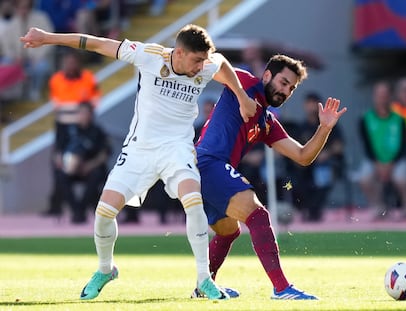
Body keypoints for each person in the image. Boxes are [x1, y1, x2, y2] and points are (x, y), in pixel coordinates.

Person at [20, 24, 257, 300]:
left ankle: (205, 279)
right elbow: (96, 43)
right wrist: (49, 38)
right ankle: (106, 269)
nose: (201, 67)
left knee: (193, 203)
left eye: (204, 60)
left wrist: (241, 97)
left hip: (177, 149)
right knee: (104, 213)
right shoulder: (149, 55)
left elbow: (223, 65)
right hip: (139, 150)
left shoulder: (205, 65)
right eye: (196, 60)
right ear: (178, 53)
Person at [193, 54, 347, 299]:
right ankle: (282, 288)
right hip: (207, 163)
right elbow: (215, 65)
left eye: (292, 88)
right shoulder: (244, 81)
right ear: (267, 76)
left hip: (207, 171)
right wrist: (243, 98)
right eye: (283, 82)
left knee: (228, 231)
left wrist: (324, 129)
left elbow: (303, 156)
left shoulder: (266, 121)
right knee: (258, 215)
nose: (286, 91)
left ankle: (204, 287)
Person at [44, 50, 101, 217]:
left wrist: (77, 112)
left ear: (78, 63)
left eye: (73, 62)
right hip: (63, 127)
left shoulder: (88, 78)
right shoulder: (56, 80)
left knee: (88, 163)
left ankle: (88, 206)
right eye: (67, 62)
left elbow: (95, 101)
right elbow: (56, 105)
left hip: (84, 127)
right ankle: (56, 205)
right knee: (58, 164)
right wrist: (78, 109)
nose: (70, 65)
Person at [358, 81, 406, 220]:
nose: (382, 98)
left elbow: (404, 144)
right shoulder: (366, 118)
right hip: (375, 160)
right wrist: (378, 163)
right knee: (364, 178)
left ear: (390, 97)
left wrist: (391, 163)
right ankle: (379, 208)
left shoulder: (399, 118)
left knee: (401, 178)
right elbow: (367, 144)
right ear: (374, 97)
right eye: (379, 95)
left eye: (385, 95)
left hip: (396, 160)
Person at [291, 92, 346, 222]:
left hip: (327, 164)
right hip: (307, 167)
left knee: (322, 177)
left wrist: (326, 153)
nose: (311, 107)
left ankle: (315, 211)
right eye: (308, 103)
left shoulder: (329, 124)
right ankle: (307, 209)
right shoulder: (302, 127)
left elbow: (339, 146)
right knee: (296, 181)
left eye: (313, 103)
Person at [54, 102, 111, 224]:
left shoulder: (97, 131)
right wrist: (64, 163)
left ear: (91, 115)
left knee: (96, 176)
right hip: (72, 169)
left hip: (91, 168)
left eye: (85, 113)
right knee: (60, 176)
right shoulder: (70, 131)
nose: (82, 116)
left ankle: (82, 209)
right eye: (80, 112)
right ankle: (76, 210)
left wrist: (89, 165)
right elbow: (58, 151)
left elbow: (104, 153)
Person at [1, 0, 54, 102]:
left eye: (26, 7)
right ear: (16, 8)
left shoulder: (41, 18)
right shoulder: (12, 23)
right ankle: (11, 95)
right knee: (5, 63)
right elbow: (6, 45)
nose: (23, 10)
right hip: (18, 59)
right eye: (20, 7)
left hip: (37, 58)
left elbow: (50, 39)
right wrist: (15, 57)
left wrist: (36, 56)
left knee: (41, 66)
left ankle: (35, 90)